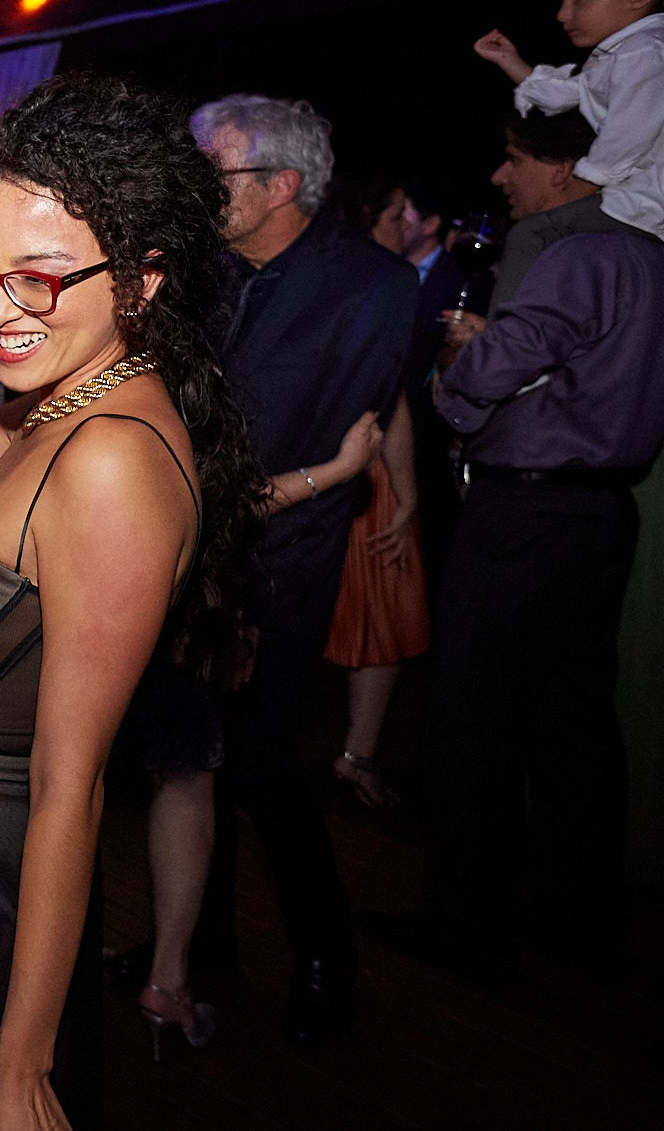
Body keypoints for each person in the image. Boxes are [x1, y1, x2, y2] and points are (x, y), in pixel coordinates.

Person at [0, 76, 263, 1128]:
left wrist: (20, 1059)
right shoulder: (61, 408)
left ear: (141, 281)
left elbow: (67, 790)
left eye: (36, 279)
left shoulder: (110, 464)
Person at [395, 138, 664, 977]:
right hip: (599, 512)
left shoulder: (578, 252)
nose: (500, 176)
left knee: (475, 718)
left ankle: (463, 927)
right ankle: (574, 923)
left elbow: (508, 361)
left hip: (527, 513)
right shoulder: (650, 257)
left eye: (516, 159)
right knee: (571, 724)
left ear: (570, 168)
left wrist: (455, 386)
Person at [192, 93, 415, 1043]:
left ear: (282, 184)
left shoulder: (371, 284)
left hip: (279, 559)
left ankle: (325, 954)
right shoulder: (204, 270)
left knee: (262, 767)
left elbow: (334, 440)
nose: (203, 189)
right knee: (183, 762)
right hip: (179, 553)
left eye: (220, 173)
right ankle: (194, 957)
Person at [473, 0, 664, 304]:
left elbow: (625, 139)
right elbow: (570, 93)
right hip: (630, 204)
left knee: (532, 234)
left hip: (644, 206)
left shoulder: (646, 52)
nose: (563, 14)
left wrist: (578, 187)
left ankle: (504, 347)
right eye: (563, 0)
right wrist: (511, 62)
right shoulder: (623, 54)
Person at [320, 181, 434, 808]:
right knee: (382, 619)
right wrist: (410, 491)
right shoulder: (383, 283)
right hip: (366, 471)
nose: (401, 224)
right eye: (394, 214)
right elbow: (389, 401)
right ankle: (356, 757)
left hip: (319, 466)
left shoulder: (325, 280)